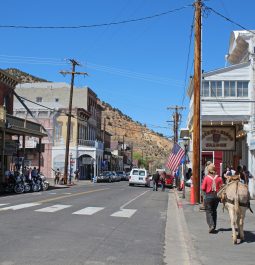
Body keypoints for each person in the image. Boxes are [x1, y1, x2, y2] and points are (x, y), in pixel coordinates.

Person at [201, 163, 223, 233]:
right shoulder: (219, 178)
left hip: (209, 196)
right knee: (214, 211)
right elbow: (221, 187)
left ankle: (211, 225)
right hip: (216, 196)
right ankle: (214, 225)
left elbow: (203, 188)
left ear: (209, 170)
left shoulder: (206, 178)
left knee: (208, 211)